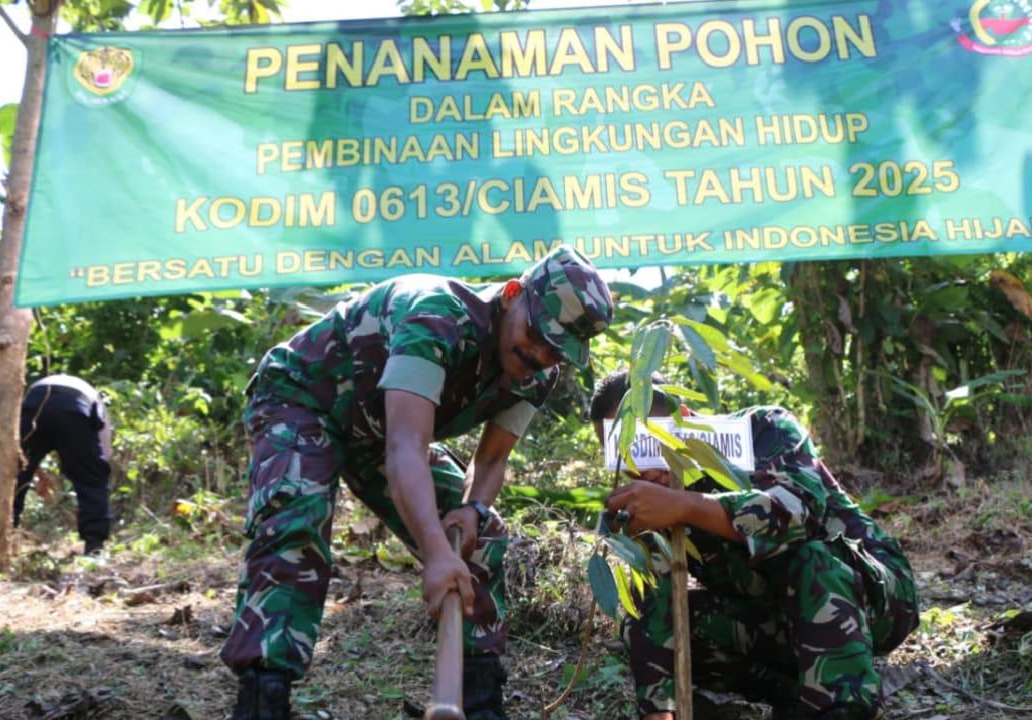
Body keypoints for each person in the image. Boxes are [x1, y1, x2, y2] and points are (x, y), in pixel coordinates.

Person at [223, 246, 614, 720]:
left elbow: (490, 460)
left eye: (555, 350)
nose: (538, 354)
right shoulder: (437, 317)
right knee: (296, 520)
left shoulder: (536, 374)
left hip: (381, 429)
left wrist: (473, 512)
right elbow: (406, 446)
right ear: (512, 295)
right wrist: (435, 553)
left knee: (482, 536)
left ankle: (480, 701)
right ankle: (264, 698)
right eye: (535, 335)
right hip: (305, 400)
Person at [590, 370, 918, 720]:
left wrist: (685, 505)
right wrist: (659, 710)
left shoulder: (763, 430)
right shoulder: (643, 501)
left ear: (682, 418)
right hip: (776, 614)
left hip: (871, 597)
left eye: (646, 443)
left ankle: (841, 707)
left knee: (814, 559)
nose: (640, 467)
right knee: (644, 623)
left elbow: (798, 516)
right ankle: (800, 693)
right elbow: (655, 601)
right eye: (622, 456)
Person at [15, 374, 113, 556]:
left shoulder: (37, 388)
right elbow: (102, 458)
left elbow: (21, 455)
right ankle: (94, 546)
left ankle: (5, 533)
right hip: (74, 407)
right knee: (92, 478)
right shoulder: (97, 403)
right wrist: (88, 471)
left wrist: (32, 471)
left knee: (14, 477)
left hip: (35, 403)